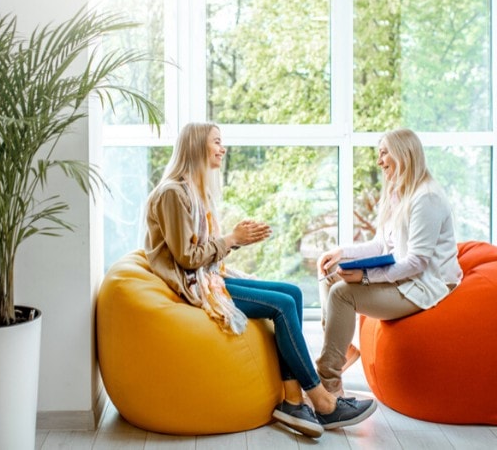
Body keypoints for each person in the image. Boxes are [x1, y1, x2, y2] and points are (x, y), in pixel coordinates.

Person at [144, 122, 377, 438]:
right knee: (280, 306)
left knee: (292, 293)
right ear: (197, 146)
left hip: (207, 276)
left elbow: (203, 254)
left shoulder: (193, 192)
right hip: (191, 285)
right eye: (216, 142)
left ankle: (293, 401)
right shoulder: (173, 193)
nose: (222, 148)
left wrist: (237, 240)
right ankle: (321, 400)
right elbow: (187, 258)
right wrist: (231, 238)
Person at [316, 128, 463, 397]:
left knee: (341, 294)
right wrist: (342, 253)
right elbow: (382, 245)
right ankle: (341, 349)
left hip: (424, 286)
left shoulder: (426, 198)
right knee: (329, 274)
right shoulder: (399, 194)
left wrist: (366, 277)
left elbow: (417, 262)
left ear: (403, 154)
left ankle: (328, 383)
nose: (379, 161)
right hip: (407, 278)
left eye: (384, 153)